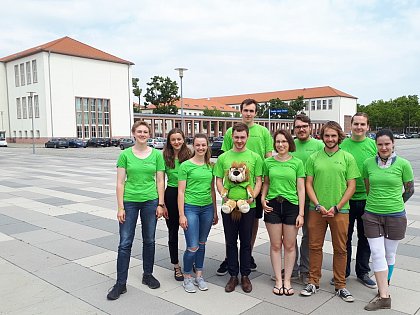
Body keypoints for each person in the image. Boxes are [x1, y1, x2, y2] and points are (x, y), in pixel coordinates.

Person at [300, 121, 360, 303]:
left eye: (333, 136)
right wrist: (318, 205)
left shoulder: (347, 158)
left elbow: (352, 186)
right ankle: (313, 281)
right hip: (316, 210)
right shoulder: (314, 158)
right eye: (327, 135)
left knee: (340, 248)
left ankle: (340, 285)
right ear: (322, 136)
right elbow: (308, 183)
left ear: (339, 136)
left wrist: (337, 207)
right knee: (314, 246)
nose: (330, 139)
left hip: (340, 211)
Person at [107, 121, 165, 300]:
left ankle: (147, 275)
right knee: (125, 242)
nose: (142, 134)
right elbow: (119, 182)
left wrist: (160, 204)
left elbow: (160, 181)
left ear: (149, 134)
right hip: (129, 202)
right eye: (139, 131)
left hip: (150, 201)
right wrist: (120, 207)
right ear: (133, 133)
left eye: (145, 132)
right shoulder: (125, 155)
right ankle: (120, 283)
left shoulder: (156, 155)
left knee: (149, 239)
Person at [217, 98, 272, 275]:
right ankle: (229, 259)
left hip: (253, 187)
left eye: (251, 111)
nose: (248, 113)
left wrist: (260, 189)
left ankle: (248, 256)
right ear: (241, 111)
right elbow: (225, 158)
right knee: (231, 227)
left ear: (256, 113)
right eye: (245, 110)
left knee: (252, 222)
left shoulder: (263, 132)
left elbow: (269, 157)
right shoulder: (231, 132)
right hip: (232, 190)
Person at [362, 129, 414, 311]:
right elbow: (368, 187)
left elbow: (409, 190)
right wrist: (378, 202)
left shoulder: (404, 164)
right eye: (380, 144)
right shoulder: (368, 163)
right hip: (372, 214)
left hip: (395, 215)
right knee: (377, 253)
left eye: (387, 144)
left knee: (389, 254)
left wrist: (395, 203)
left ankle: (385, 285)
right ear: (375, 145)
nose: (383, 147)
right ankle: (384, 296)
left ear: (393, 144)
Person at [215, 122, 263, 293]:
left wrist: (252, 198)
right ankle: (233, 275)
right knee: (230, 241)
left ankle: (245, 275)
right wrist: (224, 195)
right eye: (236, 137)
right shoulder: (223, 158)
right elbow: (219, 180)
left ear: (247, 137)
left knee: (246, 242)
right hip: (229, 206)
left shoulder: (255, 157)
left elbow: (258, 181)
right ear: (231, 137)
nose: (239, 140)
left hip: (248, 206)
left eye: (243, 137)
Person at [261, 130, 305, 296]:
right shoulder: (268, 162)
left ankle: (287, 280)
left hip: (291, 207)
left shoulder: (297, 163)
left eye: (284, 141)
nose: (280, 145)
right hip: (272, 206)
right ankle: (278, 280)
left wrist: (301, 213)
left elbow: (301, 189)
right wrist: (262, 199)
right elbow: (266, 183)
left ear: (289, 143)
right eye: (278, 141)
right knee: (275, 245)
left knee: (290, 245)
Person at [339, 113, 377, 289]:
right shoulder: (343, 145)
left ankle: (362, 271)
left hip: (367, 199)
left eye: (362, 124)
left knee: (365, 237)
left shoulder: (373, 146)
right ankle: (343, 272)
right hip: (346, 199)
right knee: (344, 238)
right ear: (351, 125)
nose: (359, 127)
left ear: (368, 127)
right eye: (356, 124)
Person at [178, 134, 218, 293]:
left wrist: (215, 211)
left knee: (202, 244)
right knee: (192, 246)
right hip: (191, 209)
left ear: (207, 146)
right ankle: (187, 276)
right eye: (198, 145)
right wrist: (182, 214)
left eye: (204, 145)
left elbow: (213, 190)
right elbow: (181, 192)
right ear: (193, 146)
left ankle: (199, 275)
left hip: (207, 208)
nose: (201, 148)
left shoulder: (211, 166)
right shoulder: (185, 166)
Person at [290, 114, 324, 283]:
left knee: (308, 235)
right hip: (291, 198)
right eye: (298, 127)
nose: (301, 129)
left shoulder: (319, 145)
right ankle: (292, 267)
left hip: (311, 198)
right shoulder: (290, 145)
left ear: (310, 127)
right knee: (289, 236)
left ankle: (305, 269)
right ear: (294, 129)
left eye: (304, 126)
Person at [163, 128, 191, 282]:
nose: (176, 142)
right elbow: (160, 181)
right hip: (172, 194)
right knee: (173, 232)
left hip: (189, 194)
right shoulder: (165, 157)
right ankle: (176, 265)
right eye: (173, 139)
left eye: (179, 139)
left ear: (183, 139)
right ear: (169, 141)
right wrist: (162, 204)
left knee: (191, 231)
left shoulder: (189, 155)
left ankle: (191, 259)